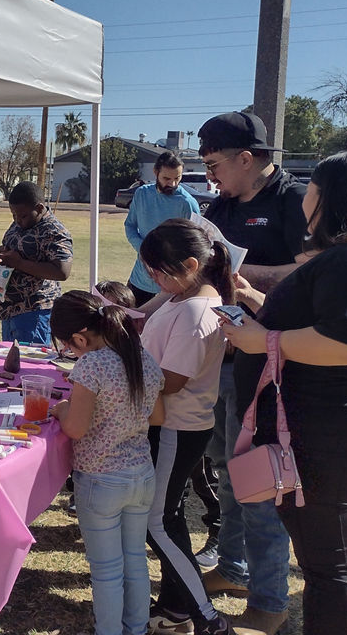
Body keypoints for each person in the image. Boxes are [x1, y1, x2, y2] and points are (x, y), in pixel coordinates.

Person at [221, 152, 347, 635]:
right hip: (338, 422)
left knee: (328, 564)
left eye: (312, 186)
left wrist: (263, 340)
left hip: (330, 428)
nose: (303, 193)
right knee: (337, 556)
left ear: (329, 197)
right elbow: (329, 320)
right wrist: (256, 302)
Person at [196, 111, 305, 634]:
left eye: (214, 163)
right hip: (224, 357)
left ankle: (269, 599)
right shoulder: (218, 205)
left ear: (248, 157)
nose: (209, 174)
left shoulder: (293, 200)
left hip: (270, 364)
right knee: (227, 468)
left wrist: (242, 277)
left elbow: (316, 270)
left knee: (259, 482)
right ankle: (233, 568)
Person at [137, 219, 234, 635]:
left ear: (192, 264)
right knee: (168, 518)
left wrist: (121, 377)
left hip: (176, 427)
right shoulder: (182, 296)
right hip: (166, 424)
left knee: (156, 523)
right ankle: (177, 607)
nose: (153, 280)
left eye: (158, 272)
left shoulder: (198, 309)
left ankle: (208, 618)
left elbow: (172, 380)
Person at [49, 290, 166, 635]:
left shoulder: (91, 366)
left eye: (67, 347)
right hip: (141, 475)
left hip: (101, 480)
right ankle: (136, 628)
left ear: (79, 338)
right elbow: (157, 415)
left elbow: (75, 427)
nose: (69, 354)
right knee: (135, 561)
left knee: (106, 570)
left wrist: (62, 409)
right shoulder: (140, 357)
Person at [0, 181, 73, 344]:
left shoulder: (54, 231)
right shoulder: (20, 223)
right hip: (10, 310)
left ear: (40, 209)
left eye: (22, 216)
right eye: (13, 215)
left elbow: (62, 271)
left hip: (34, 312)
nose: (17, 220)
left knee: (30, 365)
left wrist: (19, 263)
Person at [124, 152, 201, 306]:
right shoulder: (141, 194)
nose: (172, 184)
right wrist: (144, 250)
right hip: (140, 280)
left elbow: (197, 245)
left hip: (171, 286)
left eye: (177, 178)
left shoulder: (188, 203)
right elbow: (130, 226)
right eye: (167, 178)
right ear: (155, 172)